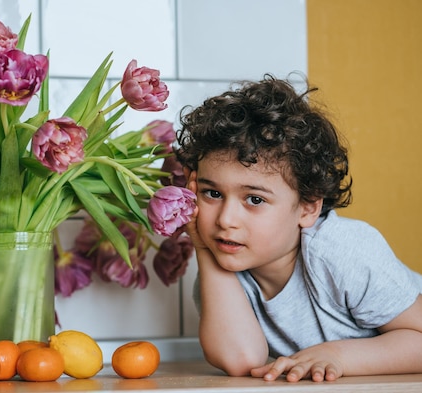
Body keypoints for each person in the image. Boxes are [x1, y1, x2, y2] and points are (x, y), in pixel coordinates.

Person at [175, 74, 422, 382]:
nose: (226, 219)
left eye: (254, 199)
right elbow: (241, 360)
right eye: (212, 193)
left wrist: (337, 355)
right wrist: (201, 246)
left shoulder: (344, 253)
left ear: (307, 207)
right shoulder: (220, 279)